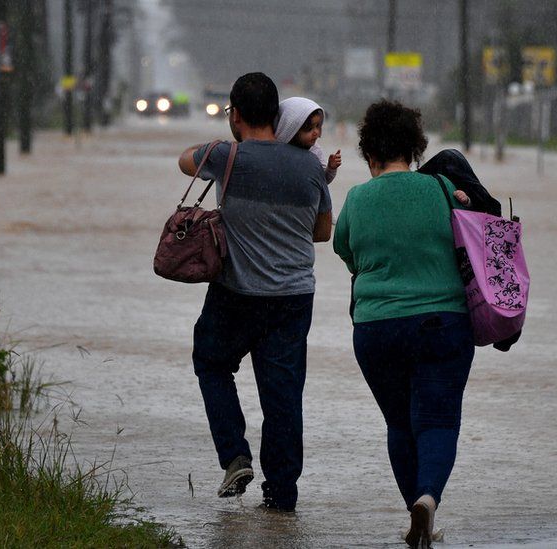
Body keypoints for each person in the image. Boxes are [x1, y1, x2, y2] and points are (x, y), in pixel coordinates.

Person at [177, 72, 333, 513]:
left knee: (211, 363)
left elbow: (184, 162)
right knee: (283, 396)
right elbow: (321, 233)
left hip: (236, 295)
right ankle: (282, 498)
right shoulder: (311, 168)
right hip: (293, 299)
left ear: (238, 114)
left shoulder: (226, 156)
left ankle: (235, 455)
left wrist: (225, 144)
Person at [332, 100, 474, 548]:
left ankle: (413, 505)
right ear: (415, 149)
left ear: (368, 152)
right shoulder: (443, 188)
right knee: (437, 421)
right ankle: (428, 500)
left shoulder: (357, 197)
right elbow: (474, 240)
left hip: (377, 329)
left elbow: (345, 251)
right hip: (443, 322)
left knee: (399, 423)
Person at [274, 96, 342, 184]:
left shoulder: (315, 150)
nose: (316, 132)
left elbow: (323, 180)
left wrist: (331, 168)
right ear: (291, 130)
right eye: (309, 128)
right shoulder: (277, 151)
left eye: (318, 126)